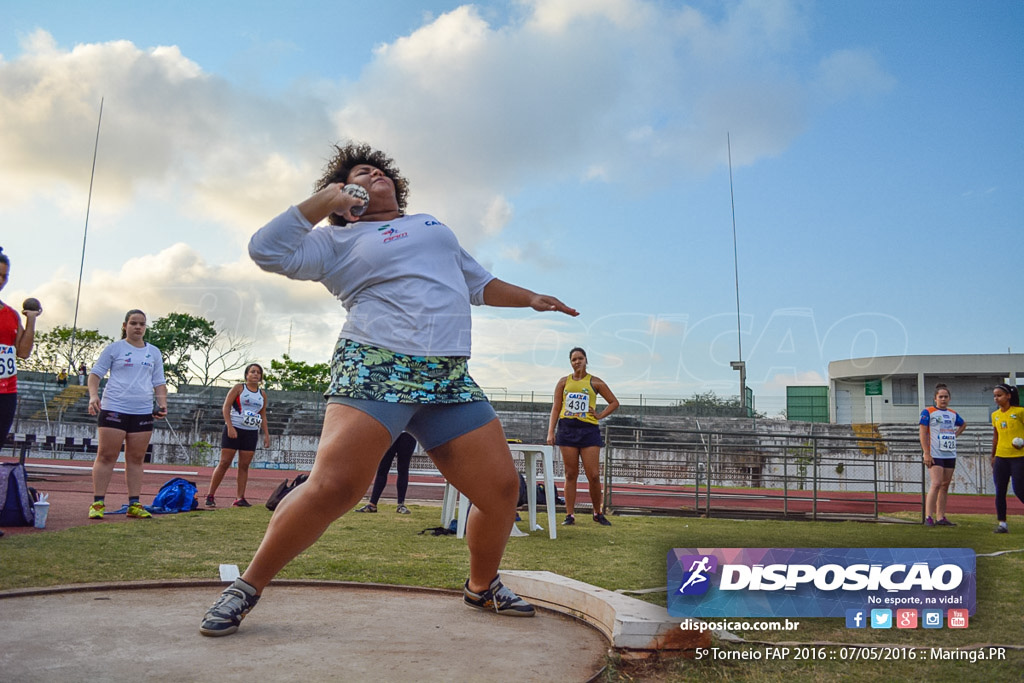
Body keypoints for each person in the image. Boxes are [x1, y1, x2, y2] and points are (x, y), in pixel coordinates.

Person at [199, 142, 578, 637]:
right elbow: (265, 250)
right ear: (344, 192)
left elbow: (478, 283)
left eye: (379, 170)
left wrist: (530, 298)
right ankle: (245, 587)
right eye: (359, 172)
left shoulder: (431, 225)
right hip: (377, 364)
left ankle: (481, 585)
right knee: (336, 487)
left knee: (503, 490)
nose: (374, 172)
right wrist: (324, 203)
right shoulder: (337, 241)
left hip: (447, 376)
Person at [87, 309, 167, 520]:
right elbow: (95, 374)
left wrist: (162, 403)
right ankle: (98, 503)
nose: (138, 327)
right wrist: (94, 396)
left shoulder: (154, 352)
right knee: (107, 456)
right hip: (114, 407)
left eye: (142, 323)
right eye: (133, 323)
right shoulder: (115, 349)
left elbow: (159, 381)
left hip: (141, 410)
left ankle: (134, 503)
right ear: (125, 326)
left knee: (136, 458)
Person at [547, 347, 619, 526]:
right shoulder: (563, 382)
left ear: (586, 360)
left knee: (593, 475)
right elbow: (556, 407)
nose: (577, 362)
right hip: (567, 428)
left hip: (588, 429)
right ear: (570, 362)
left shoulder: (595, 382)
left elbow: (614, 402)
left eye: (580, 358)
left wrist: (600, 415)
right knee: (570, 474)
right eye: (573, 359)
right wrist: (550, 431)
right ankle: (569, 515)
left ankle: (597, 512)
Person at [205, 363, 271, 508]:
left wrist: (266, 435)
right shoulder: (239, 388)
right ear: (246, 375)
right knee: (225, 462)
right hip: (234, 428)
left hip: (251, 432)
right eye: (252, 372)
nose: (255, 374)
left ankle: (239, 498)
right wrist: (229, 426)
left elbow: (263, 415)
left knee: (244, 465)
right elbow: (226, 407)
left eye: (258, 372)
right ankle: (210, 495)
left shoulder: (262, 394)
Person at [0, 247, 40, 449]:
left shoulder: (11, 314)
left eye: (4, 276)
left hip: (6, 391)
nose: (0, 280)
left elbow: (23, 352)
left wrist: (31, 320)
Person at [919, 383, 966, 527]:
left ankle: (941, 517)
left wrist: (954, 435)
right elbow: (922, 432)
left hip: (950, 454)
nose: (943, 399)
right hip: (935, 453)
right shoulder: (928, 412)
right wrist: (926, 452)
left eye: (946, 397)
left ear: (949, 398)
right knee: (936, 483)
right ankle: (928, 517)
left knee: (945, 485)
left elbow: (963, 424)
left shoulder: (952, 413)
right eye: (940, 397)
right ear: (935, 399)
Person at [991, 383, 1024, 534]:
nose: (996, 398)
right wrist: (993, 455)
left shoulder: (1020, 412)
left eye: (999, 395)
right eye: (995, 396)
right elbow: (996, 436)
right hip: (1001, 457)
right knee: (1000, 491)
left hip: (1019, 457)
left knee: (1019, 489)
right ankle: (1002, 523)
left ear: (1008, 396)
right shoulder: (995, 415)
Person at [356, 432, 417, 514]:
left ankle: (401, 505)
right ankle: (372, 504)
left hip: (408, 434)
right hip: (391, 433)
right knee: (382, 469)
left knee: (403, 469)